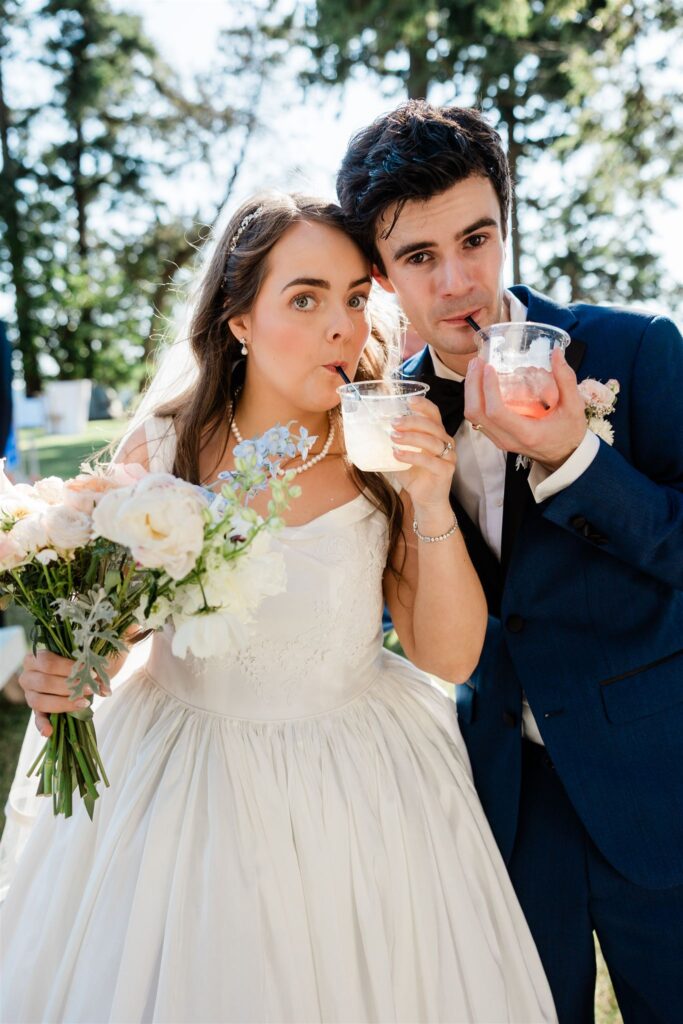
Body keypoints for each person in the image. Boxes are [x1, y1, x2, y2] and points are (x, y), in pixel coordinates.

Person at [0, 193, 556, 1023]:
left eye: (355, 298)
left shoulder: (385, 442)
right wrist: (69, 672)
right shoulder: (165, 446)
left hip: (362, 782)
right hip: (181, 772)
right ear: (240, 322)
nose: (343, 326)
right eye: (305, 298)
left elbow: (449, 659)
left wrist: (430, 504)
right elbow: (112, 639)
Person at [337, 100, 683, 1023]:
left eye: (477, 239)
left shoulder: (634, 349)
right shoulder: (380, 416)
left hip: (655, 782)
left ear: (505, 226)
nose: (457, 283)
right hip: (495, 802)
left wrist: (577, 459)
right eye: (418, 258)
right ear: (378, 275)